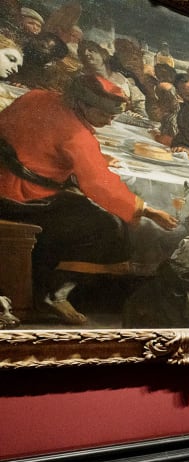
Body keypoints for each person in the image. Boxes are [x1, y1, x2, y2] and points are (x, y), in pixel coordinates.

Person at [0, 74, 176, 323]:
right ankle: (51, 293)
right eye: (105, 114)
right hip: (22, 198)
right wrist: (147, 210)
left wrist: (93, 158)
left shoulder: (35, 97)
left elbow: (35, 142)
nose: (110, 120)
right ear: (82, 104)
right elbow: (100, 186)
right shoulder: (77, 137)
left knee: (80, 208)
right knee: (110, 228)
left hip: (5, 182)